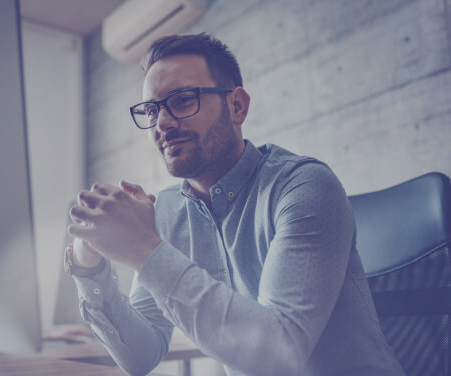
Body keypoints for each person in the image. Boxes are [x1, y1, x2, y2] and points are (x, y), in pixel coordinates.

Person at [65, 34, 405, 376]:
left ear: (237, 106)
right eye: (151, 110)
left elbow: (278, 355)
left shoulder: (304, 185)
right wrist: (88, 265)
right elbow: (141, 356)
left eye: (183, 100)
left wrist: (143, 249)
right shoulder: (167, 210)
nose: (162, 123)